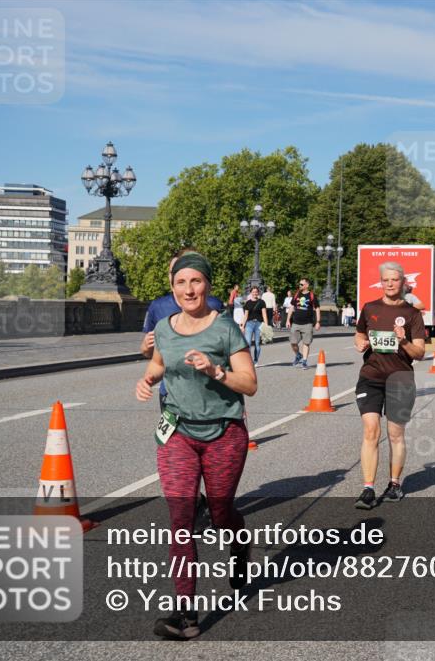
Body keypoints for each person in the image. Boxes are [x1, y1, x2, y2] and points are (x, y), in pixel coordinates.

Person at [134, 251, 258, 640]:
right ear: (172, 288)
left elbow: (250, 384)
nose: (189, 289)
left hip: (224, 432)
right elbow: (159, 363)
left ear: (207, 284)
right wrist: (148, 380)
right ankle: (185, 613)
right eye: (181, 283)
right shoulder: (166, 328)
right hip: (178, 433)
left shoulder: (225, 329)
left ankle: (240, 545)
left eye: (196, 281)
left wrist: (216, 370)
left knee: (221, 514)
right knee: (181, 521)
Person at [353, 262, 427, 509]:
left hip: (400, 379)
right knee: (370, 430)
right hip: (371, 377)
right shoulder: (370, 308)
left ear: (403, 282)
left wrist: (403, 341)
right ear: (381, 282)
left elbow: (420, 353)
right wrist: (360, 343)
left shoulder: (412, 313)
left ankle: (394, 484)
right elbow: (360, 333)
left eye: (395, 280)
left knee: (395, 434)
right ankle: (368, 488)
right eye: (386, 280)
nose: (390, 284)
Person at [140, 248, 225, 410]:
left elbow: (232, 358)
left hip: (211, 395)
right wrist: (145, 350)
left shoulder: (214, 306)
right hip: (171, 393)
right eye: (174, 272)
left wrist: (219, 373)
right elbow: (154, 357)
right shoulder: (158, 306)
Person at [287, 278, 320, 369]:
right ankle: (298, 355)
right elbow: (292, 307)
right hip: (296, 323)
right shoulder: (297, 294)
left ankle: (304, 361)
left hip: (308, 323)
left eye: (301, 284)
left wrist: (318, 322)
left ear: (307, 285)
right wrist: (287, 320)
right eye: (299, 284)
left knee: (306, 343)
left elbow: (317, 308)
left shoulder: (312, 295)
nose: (300, 286)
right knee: (293, 342)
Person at [242, 285, 267, 364]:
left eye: (256, 292)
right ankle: (249, 360)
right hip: (249, 324)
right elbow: (245, 316)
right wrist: (242, 326)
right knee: (248, 343)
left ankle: (255, 361)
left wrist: (266, 325)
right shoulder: (248, 303)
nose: (255, 293)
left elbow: (264, 314)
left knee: (257, 344)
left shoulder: (261, 302)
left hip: (259, 324)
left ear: (258, 293)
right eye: (253, 292)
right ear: (251, 293)